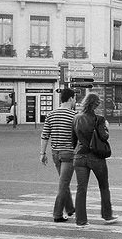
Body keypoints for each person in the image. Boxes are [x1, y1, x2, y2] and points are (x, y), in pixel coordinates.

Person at [71, 92, 117, 226]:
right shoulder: (99, 119)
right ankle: (107, 215)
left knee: (81, 189)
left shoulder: (76, 118)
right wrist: (106, 128)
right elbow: (104, 137)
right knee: (104, 186)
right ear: (96, 105)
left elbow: (73, 141)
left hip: (79, 156)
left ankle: (81, 220)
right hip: (96, 157)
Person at [40, 87, 78, 222]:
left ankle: (70, 208)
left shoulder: (51, 114)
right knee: (63, 184)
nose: (75, 101)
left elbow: (45, 135)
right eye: (74, 98)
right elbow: (79, 135)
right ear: (71, 98)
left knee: (63, 181)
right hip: (69, 153)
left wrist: (42, 153)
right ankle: (57, 214)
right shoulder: (74, 116)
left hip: (55, 153)